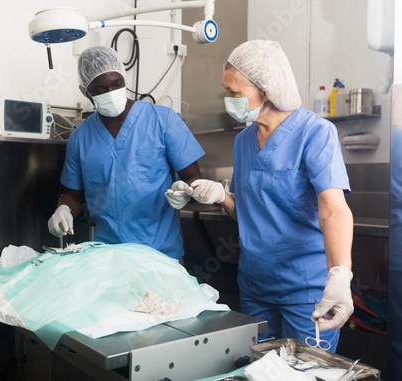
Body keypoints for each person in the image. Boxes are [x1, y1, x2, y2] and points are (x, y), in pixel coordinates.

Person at [166, 40, 354, 352]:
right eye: (225, 90)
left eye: (234, 92)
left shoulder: (315, 133)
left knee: (304, 371)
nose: (228, 99)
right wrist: (220, 196)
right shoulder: (243, 141)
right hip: (255, 284)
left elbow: (333, 211)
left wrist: (339, 274)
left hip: (305, 289)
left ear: (265, 91)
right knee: (259, 368)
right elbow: (249, 213)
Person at [48, 46, 204, 260]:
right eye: (100, 89)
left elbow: (194, 177)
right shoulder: (80, 138)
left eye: (116, 84)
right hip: (108, 254)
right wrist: (63, 210)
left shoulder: (163, 120)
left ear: (124, 80)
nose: (110, 92)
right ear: (86, 91)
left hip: (159, 252)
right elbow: (73, 194)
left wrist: (187, 192)